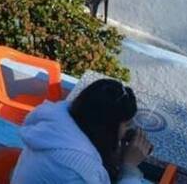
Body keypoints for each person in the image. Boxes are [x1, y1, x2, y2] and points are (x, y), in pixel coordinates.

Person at [12, 78, 152, 184]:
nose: (129, 130)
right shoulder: (78, 169)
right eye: (127, 125)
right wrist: (129, 169)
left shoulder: (58, 126)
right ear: (107, 129)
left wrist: (113, 155)